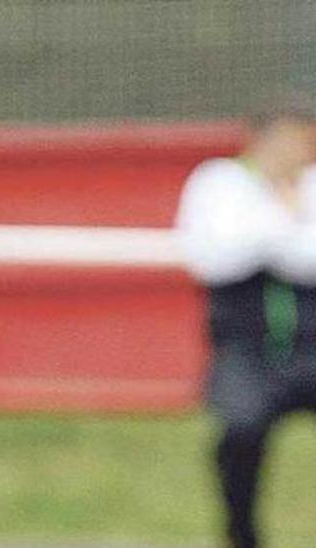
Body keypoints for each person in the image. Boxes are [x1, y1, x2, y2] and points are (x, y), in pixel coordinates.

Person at [175, 92, 316, 548]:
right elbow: (214, 257)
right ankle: (242, 535)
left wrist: (265, 238)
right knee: (239, 429)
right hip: (245, 349)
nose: (298, 151)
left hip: (311, 346)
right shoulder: (219, 183)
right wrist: (282, 219)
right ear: (258, 139)